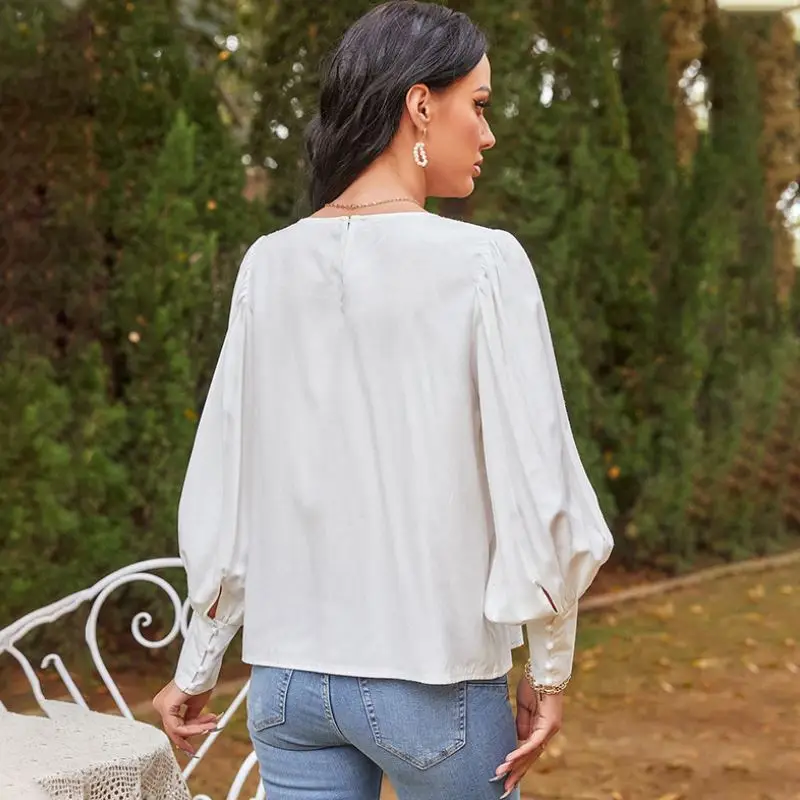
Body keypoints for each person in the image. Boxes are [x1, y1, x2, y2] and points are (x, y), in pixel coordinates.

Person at [152, 2, 614, 798]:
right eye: (479, 104)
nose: (488, 133)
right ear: (420, 104)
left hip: (288, 685)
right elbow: (537, 488)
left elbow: (226, 485)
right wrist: (548, 667)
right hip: (432, 680)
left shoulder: (268, 264)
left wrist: (199, 661)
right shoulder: (484, 264)